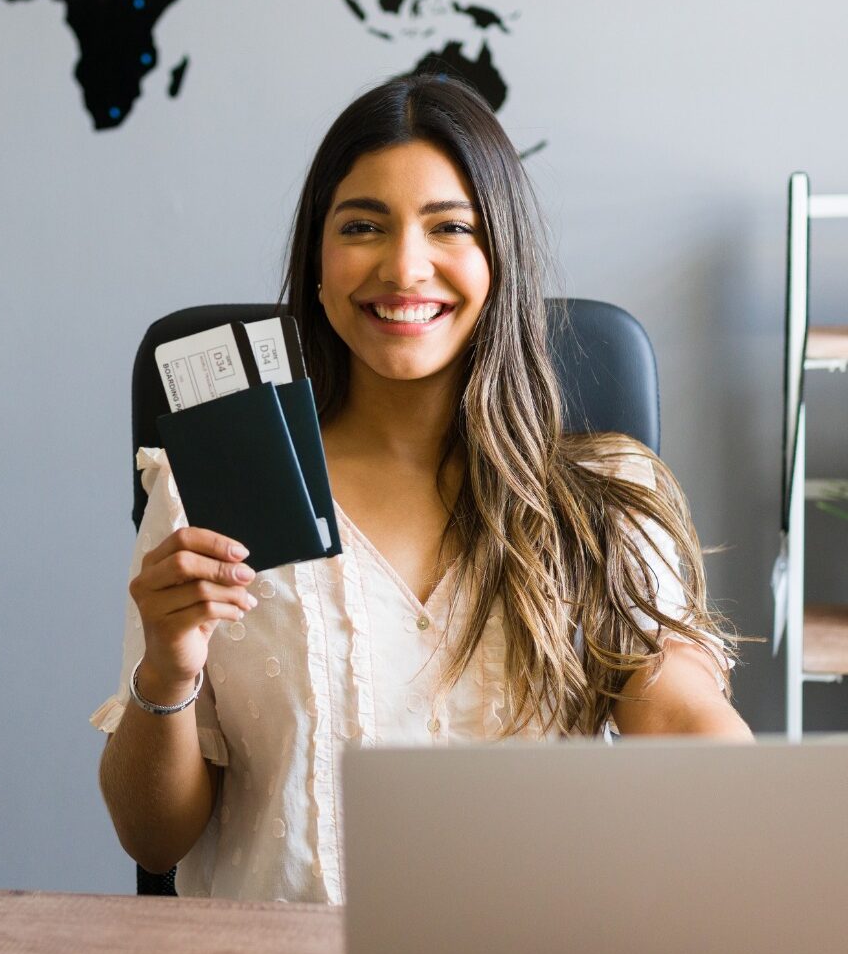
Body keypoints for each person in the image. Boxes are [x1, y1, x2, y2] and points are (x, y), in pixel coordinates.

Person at [91, 74, 752, 903]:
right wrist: (169, 665)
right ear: (319, 268)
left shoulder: (603, 498)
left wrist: (772, 826)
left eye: (451, 228)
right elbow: (154, 838)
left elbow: (681, 713)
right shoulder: (207, 496)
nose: (404, 268)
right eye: (362, 226)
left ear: (499, 260)